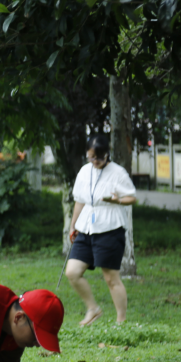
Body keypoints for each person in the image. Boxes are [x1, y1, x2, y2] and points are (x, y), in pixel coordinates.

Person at [65, 134, 136, 325]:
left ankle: (121, 321)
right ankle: (93, 309)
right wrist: (73, 225)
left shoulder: (118, 172)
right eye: (91, 157)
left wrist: (117, 200)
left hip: (110, 228)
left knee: (111, 277)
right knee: (72, 272)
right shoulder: (84, 171)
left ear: (107, 154)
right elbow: (79, 201)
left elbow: (132, 197)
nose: (95, 161)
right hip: (86, 227)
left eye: (99, 157)